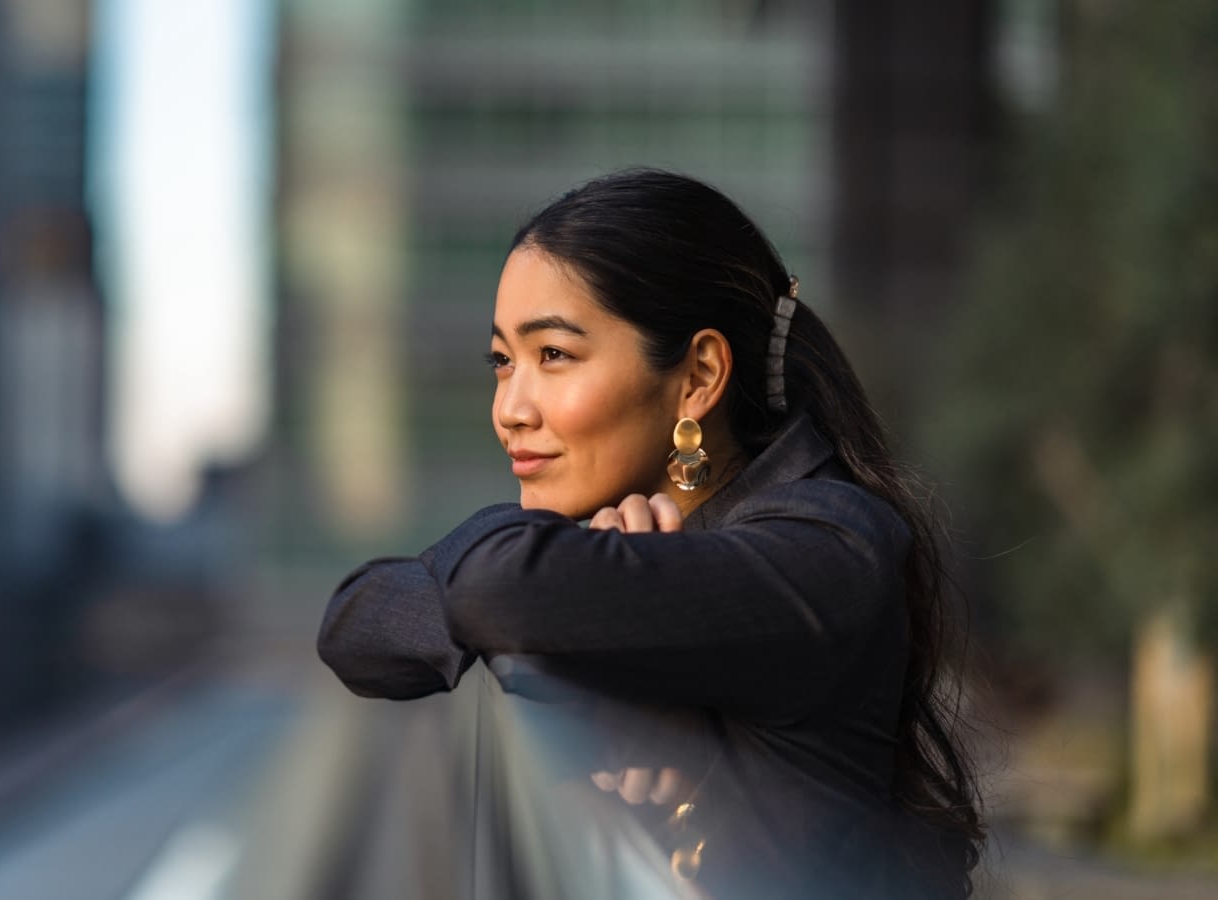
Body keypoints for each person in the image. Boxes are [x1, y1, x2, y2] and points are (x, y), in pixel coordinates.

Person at [316, 169, 984, 898]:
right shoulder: (591, 537)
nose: (510, 407)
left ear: (697, 375)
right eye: (503, 361)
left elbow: (496, 589)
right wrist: (588, 589)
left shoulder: (829, 547)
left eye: (554, 356)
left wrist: (571, 592)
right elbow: (355, 624)